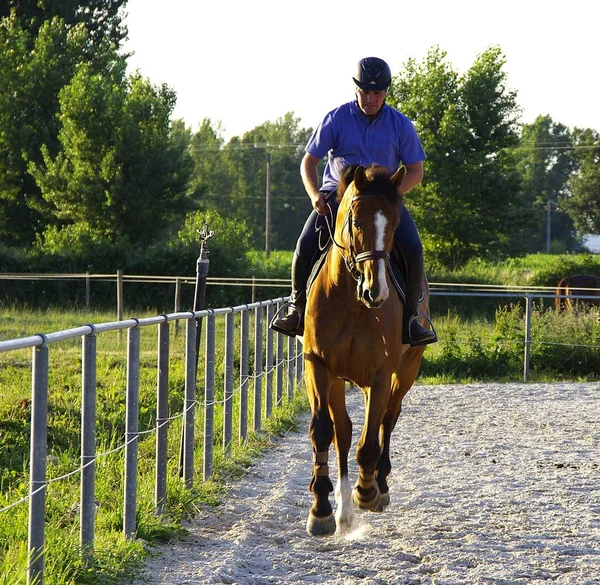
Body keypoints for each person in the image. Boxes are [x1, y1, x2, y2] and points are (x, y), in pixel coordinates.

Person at [271, 56, 437, 346]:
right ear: (355, 89)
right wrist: (314, 195)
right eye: (365, 92)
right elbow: (308, 162)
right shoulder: (337, 118)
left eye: (376, 93)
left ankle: (412, 318)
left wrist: (392, 196)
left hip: (382, 205)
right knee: (304, 244)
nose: (370, 98)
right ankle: (297, 308)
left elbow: (416, 171)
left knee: (413, 247)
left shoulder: (401, 125)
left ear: (386, 92)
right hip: (337, 199)